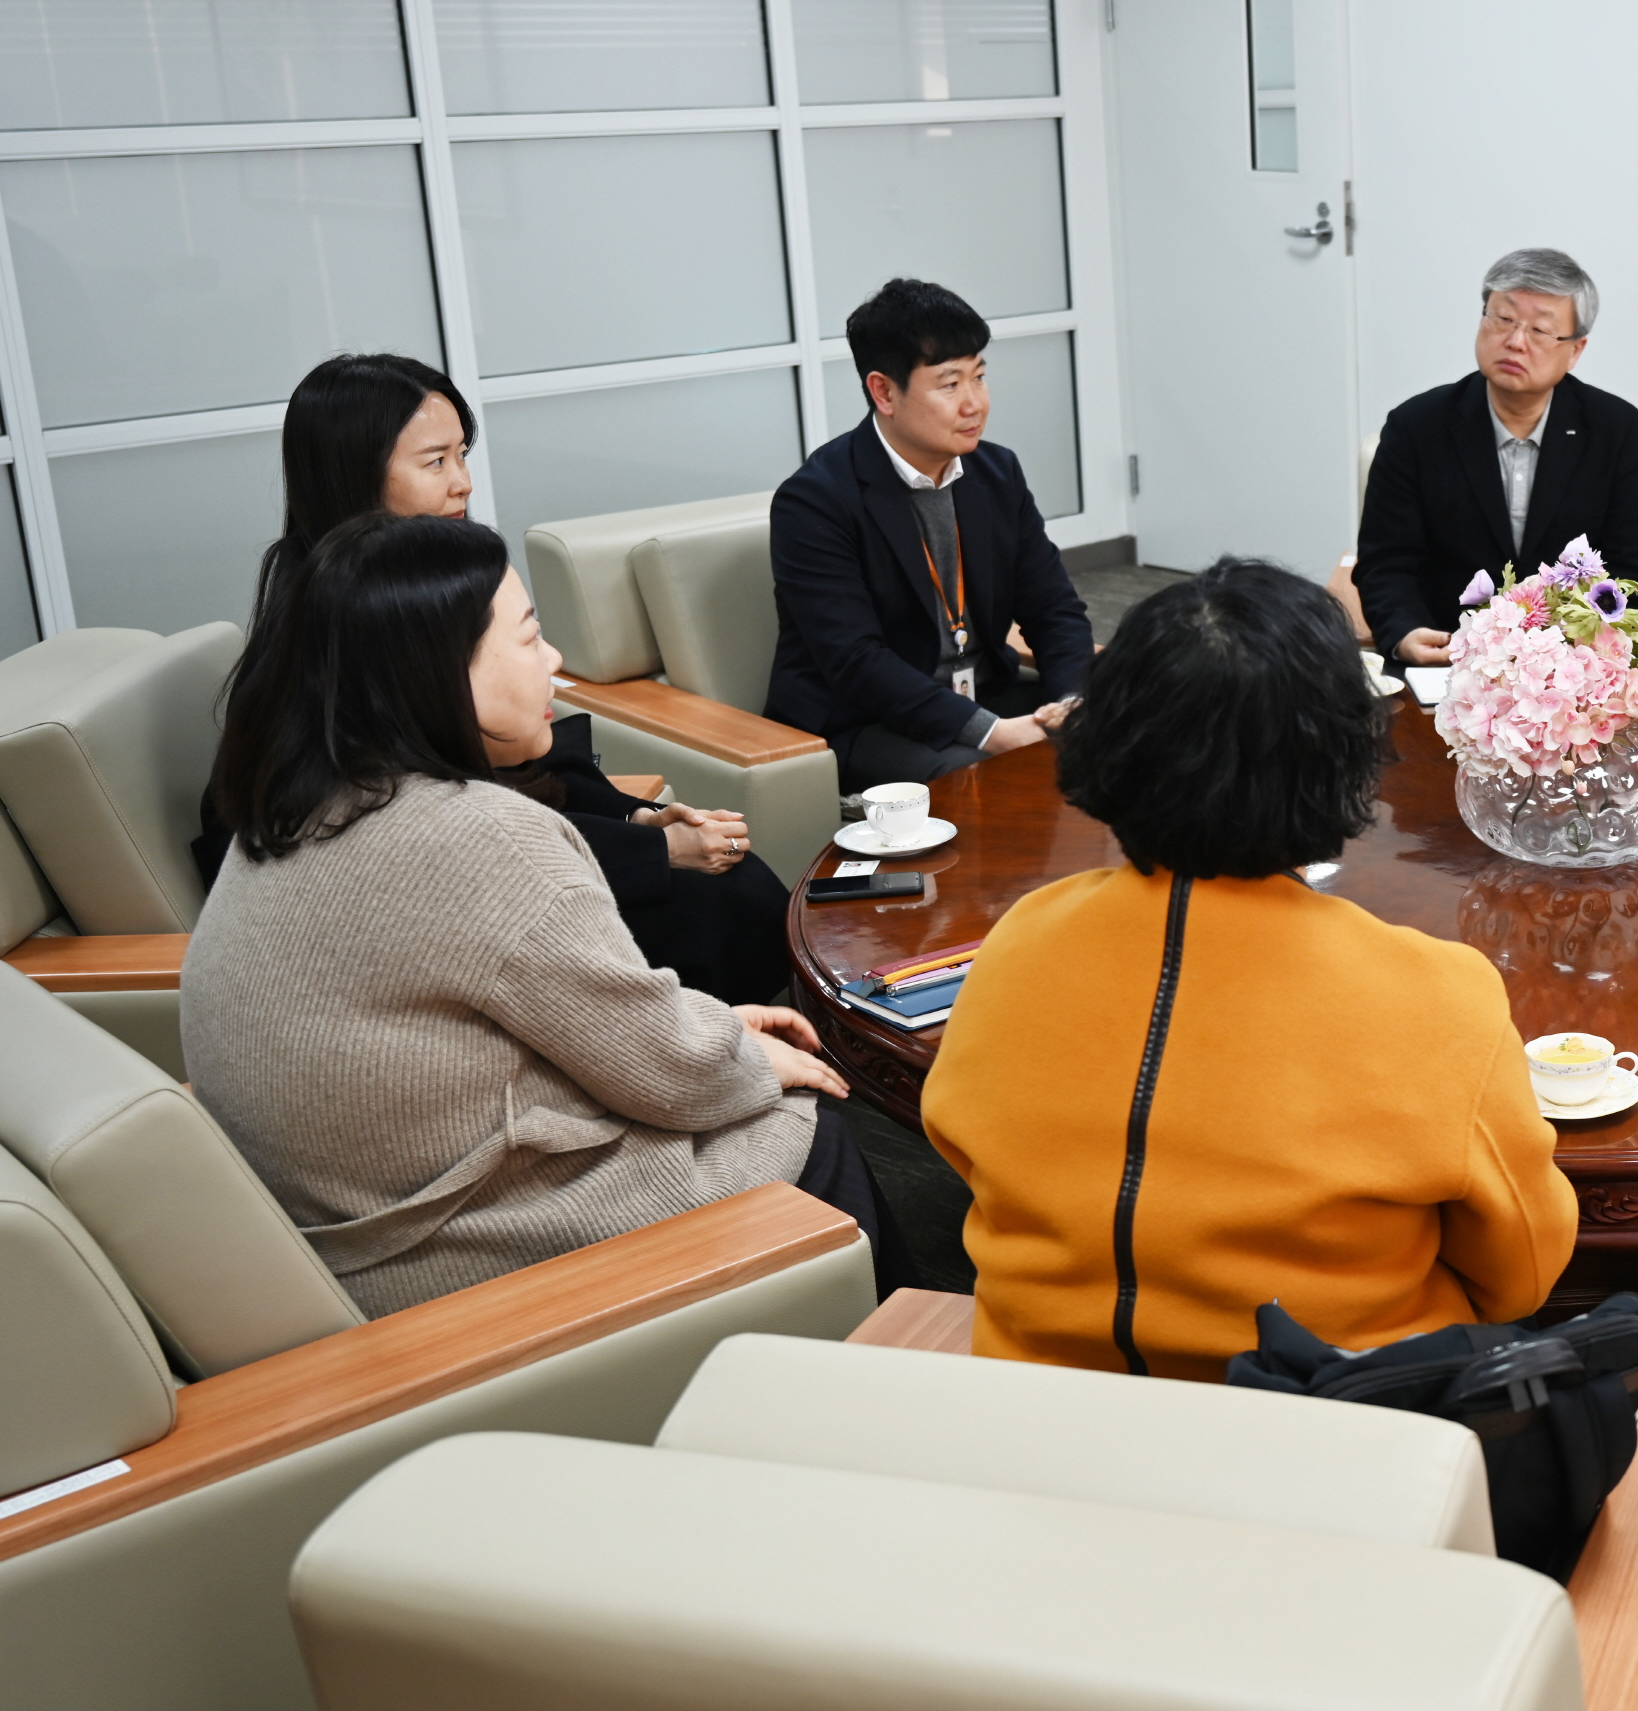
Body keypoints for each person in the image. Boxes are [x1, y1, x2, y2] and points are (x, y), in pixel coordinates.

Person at [184, 513, 912, 1316]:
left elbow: (572, 1020)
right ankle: (910, 1357)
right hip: (458, 1248)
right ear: (441, 670)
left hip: (350, 1221)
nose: (555, 661)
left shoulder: (285, 812)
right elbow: (667, 1070)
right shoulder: (483, 834)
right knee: (808, 1129)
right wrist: (740, 1060)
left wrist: (716, 1031)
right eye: (530, 637)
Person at [924, 557, 1579, 1382]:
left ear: (1109, 736)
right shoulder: (1436, 995)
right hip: (1330, 1430)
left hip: (1041, 1405)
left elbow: (961, 1152)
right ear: (1343, 757)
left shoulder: (1018, 942)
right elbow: (1522, 1272)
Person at [194, 352, 791, 1004]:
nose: (463, 484)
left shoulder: (427, 587)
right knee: (721, 907)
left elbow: (514, 770)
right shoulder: (333, 629)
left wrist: (636, 818)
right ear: (355, 474)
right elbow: (431, 835)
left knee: (738, 884)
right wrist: (656, 850)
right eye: (435, 462)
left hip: (503, 848)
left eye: (462, 455)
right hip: (452, 902)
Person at [766, 277, 1095, 791]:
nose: (974, 403)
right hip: (868, 722)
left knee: (1143, 726)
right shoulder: (815, 500)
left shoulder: (997, 473)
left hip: (987, 696)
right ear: (883, 392)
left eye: (979, 377)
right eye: (950, 384)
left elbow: (1053, 609)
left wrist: (1071, 703)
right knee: (986, 779)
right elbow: (856, 662)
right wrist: (993, 733)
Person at [1355, 248, 1638, 667]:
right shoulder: (1415, 427)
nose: (1515, 341)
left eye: (1540, 330)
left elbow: (1634, 571)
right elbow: (1386, 561)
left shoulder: (1617, 431)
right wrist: (1405, 632)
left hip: (1573, 664)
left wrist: (1577, 657)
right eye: (1503, 319)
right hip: (1447, 655)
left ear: (1575, 350)